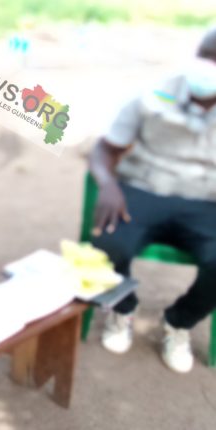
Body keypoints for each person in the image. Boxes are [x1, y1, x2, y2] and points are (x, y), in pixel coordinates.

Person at [88, 28, 216, 373]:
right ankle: (122, 309)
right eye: (207, 56)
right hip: (144, 188)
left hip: (206, 200)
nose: (210, 66)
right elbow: (105, 149)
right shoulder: (153, 94)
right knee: (108, 242)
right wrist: (108, 184)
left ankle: (179, 322)